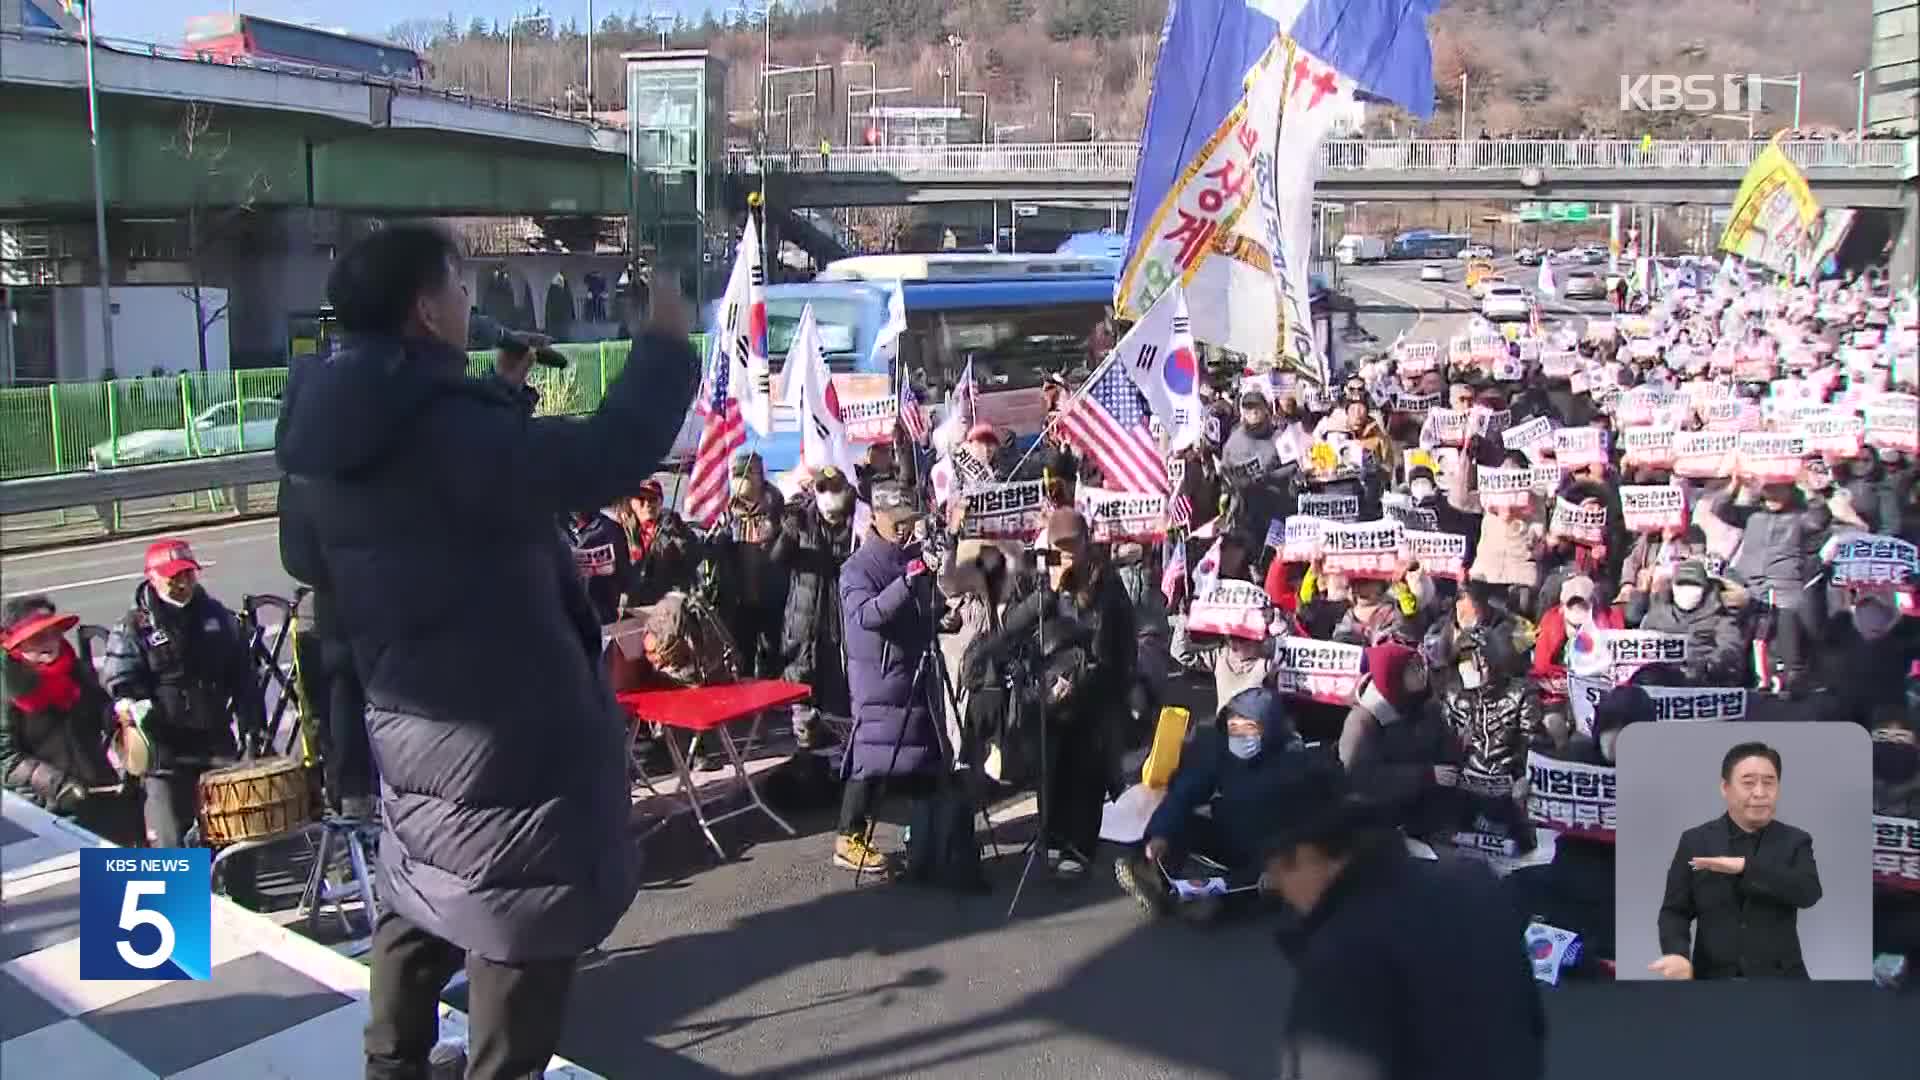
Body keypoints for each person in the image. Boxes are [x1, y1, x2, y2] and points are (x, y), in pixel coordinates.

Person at [274, 224, 699, 1079]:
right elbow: (602, 455)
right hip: (510, 740)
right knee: (514, 921)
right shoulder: (449, 436)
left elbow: (314, 555)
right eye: (462, 290)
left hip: (410, 721)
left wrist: (497, 399)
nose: (472, 307)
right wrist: (663, 341)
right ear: (426, 312)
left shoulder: (326, 425)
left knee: (421, 887)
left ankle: (391, 1066)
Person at [1265, 768, 1548, 1080]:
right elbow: (1529, 1022)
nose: (1278, 887)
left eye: (1278, 871)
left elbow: (1332, 1067)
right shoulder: (1477, 884)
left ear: (1308, 855)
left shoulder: (1342, 949)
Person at [102, 540, 267, 897]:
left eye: (187, 575)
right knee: (170, 839)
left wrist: (253, 727)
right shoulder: (134, 626)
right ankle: (176, 914)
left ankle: (243, 901)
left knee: (238, 825)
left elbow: (243, 676)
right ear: (152, 578)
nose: (181, 583)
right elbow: (118, 679)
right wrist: (131, 703)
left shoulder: (217, 617)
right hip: (164, 749)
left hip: (214, 739)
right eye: (172, 577)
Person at [1115, 687, 1314, 924]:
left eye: (1248, 728)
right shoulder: (1222, 750)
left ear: (1268, 730)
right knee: (1177, 825)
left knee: (1253, 890)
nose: (1239, 735)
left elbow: (1311, 825)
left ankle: (1210, 900)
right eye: (1234, 727)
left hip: (1269, 853)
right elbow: (1185, 792)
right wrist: (1162, 834)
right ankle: (1156, 874)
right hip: (1229, 831)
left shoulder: (1295, 763)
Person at [835, 481, 947, 875]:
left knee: (923, 752)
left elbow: (921, 606)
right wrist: (907, 582)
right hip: (878, 679)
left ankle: (924, 832)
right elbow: (867, 614)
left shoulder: (909, 557)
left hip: (911, 671)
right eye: (897, 521)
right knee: (872, 756)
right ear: (877, 518)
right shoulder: (857, 567)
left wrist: (940, 616)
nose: (904, 529)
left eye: (909, 521)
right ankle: (849, 835)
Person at [1652, 741, 1823, 981]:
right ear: (1725, 787)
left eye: (1769, 782)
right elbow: (1674, 911)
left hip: (1782, 979)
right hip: (1712, 977)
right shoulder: (1696, 840)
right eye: (1748, 783)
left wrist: (1745, 868)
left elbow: (1808, 893)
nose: (1760, 793)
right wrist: (1677, 954)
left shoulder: (1795, 841)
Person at [1, 597, 143, 846]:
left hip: (102, 789)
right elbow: (5, 759)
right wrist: (56, 785)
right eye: (37, 636)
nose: (49, 642)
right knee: (95, 881)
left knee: (147, 872)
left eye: (52, 632)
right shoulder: (7, 691)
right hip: (48, 810)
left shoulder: (74, 669)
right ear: (15, 643)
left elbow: (101, 712)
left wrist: (121, 715)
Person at [1709, 478, 1831, 693]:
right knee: (1740, 621)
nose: (1773, 496)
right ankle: (1743, 675)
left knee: (1784, 620)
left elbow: (1821, 517)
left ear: (1790, 491)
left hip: (1785, 584)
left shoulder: (1799, 518)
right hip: (1750, 582)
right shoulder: (1753, 515)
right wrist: (1735, 484)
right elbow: (1720, 509)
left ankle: (1790, 674)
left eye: (1779, 490)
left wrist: (1807, 486)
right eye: (1769, 490)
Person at [773, 465, 859, 751]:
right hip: (805, 617)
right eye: (823, 489)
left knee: (839, 685)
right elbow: (777, 559)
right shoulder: (801, 520)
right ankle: (806, 743)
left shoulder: (856, 521)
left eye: (835, 489)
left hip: (842, 617)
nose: (829, 495)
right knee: (803, 679)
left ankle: (840, 743)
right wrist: (788, 532)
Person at [1636, 560, 1749, 685]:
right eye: (1682, 584)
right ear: (1673, 586)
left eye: (1694, 585)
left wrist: (1704, 668)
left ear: (1705, 587)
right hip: (1662, 679)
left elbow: (1730, 650)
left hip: (1704, 682)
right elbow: (1642, 643)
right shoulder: (1658, 610)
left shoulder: (1721, 614)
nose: (1687, 589)